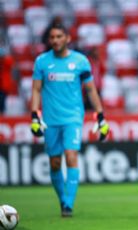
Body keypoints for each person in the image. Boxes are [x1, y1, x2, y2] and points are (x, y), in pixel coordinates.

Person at [30, 23, 110, 217]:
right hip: (50, 120)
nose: (56, 40)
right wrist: (34, 114)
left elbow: (91, 90)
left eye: (59, 36)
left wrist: (100, 115)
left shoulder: (81, 61)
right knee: (55, 163)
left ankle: (68, 205)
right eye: (52, 37)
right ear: (49, 40)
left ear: (67, 38)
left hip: (73, 118)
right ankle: (63, 201)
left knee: (71, 156)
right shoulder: (42, 61)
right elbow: (36, 89)